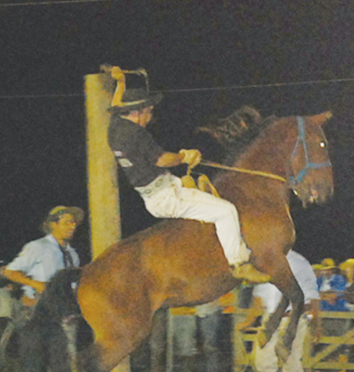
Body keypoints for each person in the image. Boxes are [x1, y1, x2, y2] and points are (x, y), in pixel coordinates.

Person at [104, 68, 268, 283]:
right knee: (227, 211)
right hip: (165, 196)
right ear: (137, 112)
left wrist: (121, 81)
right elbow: (161, 160)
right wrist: (184, 156)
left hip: (164, 187)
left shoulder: (115, 128)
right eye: (149, 111)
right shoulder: (136, 134)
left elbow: (117, 106)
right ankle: (239, 264)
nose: (150, 116)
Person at [0, 206, 84, 372]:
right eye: (67, 221)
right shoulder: (37, 247)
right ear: (52, 223)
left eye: (74, 222)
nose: (72, 225)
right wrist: (38, 286)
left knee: (63, 368)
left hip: (56, 318)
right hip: (33, 315)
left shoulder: (72, 255)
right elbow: (10, 271)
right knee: (31, 367)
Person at [248, 250, 321, 372]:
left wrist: (316, 323)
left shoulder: (299, 263)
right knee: (261, 362)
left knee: (292, 362)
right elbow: (259, 297)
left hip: (293, 319)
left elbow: (312, 296)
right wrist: (249, 321)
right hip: (271, 319)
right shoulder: (264, 261)